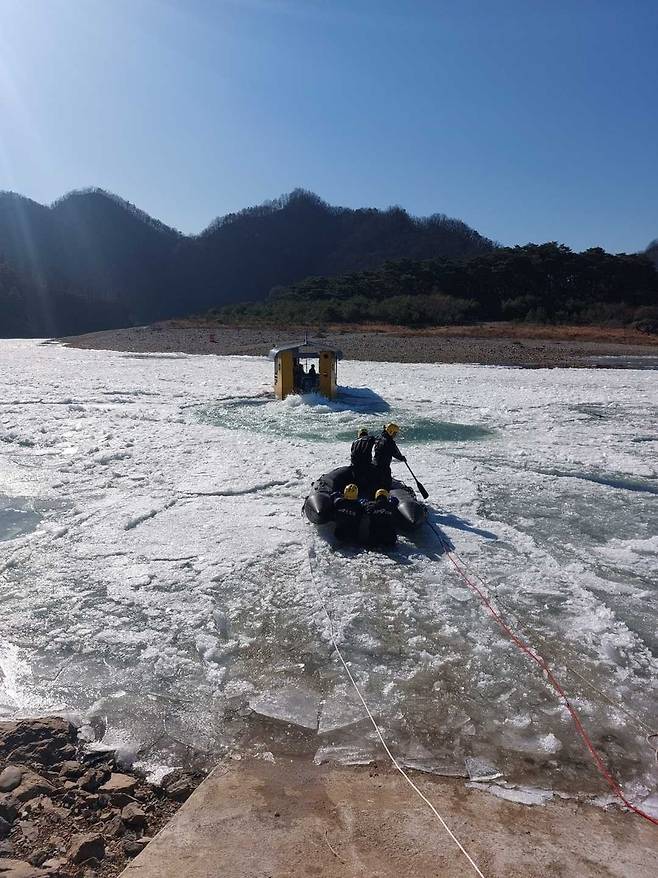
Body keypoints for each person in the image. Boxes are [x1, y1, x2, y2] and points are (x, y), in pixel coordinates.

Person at [372, 423, 406, 490]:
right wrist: (402, 458)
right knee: (386, 484)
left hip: (374, 464)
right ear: (390, 431)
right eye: (395, 433)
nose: (395, 435)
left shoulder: (379, 437)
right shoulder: (389, 441)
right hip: (383, 467)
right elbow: (395, 453)